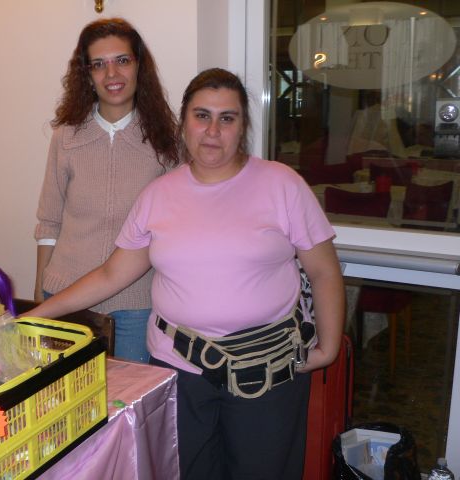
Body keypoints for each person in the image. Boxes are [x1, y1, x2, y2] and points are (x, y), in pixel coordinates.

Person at [27, 68, 345, 479]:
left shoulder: (282, 184)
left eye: (227, 118)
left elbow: (324, 271)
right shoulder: (158, 195)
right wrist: (35, 315)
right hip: (179, 369)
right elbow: (111, 275)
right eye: (202, 116)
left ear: (242, 126)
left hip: (266, 371)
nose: (212, 131)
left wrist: (329, 348)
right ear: (184, 122)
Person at [34, 18, 178, 363]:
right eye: (98, 64)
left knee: (125, 396)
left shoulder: (166, 140)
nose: (111, 74)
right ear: (87, 74)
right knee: (64, 394)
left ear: (139, 67)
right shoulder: (66, 137)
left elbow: (175, 230)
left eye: (122, 60)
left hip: (135, 307)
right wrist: (40, 292)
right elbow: (49, 223)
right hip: (66, 297)